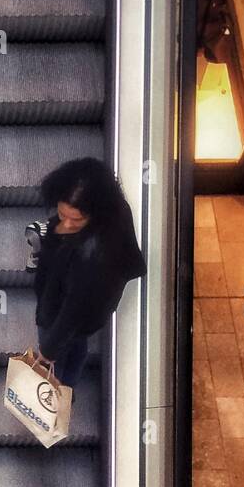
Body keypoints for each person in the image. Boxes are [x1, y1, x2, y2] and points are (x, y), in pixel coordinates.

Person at [33, 158, 146, 388]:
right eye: (62, 214)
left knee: (59, 360)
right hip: (89, 313)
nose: (64, 224)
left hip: (65, 313)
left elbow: (72, 310)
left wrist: (47, 351)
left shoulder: (91, 256)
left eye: (75, 220)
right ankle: (67, 388)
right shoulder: (117, 209)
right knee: (77, 346)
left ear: (95, 213)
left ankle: (55, 401)